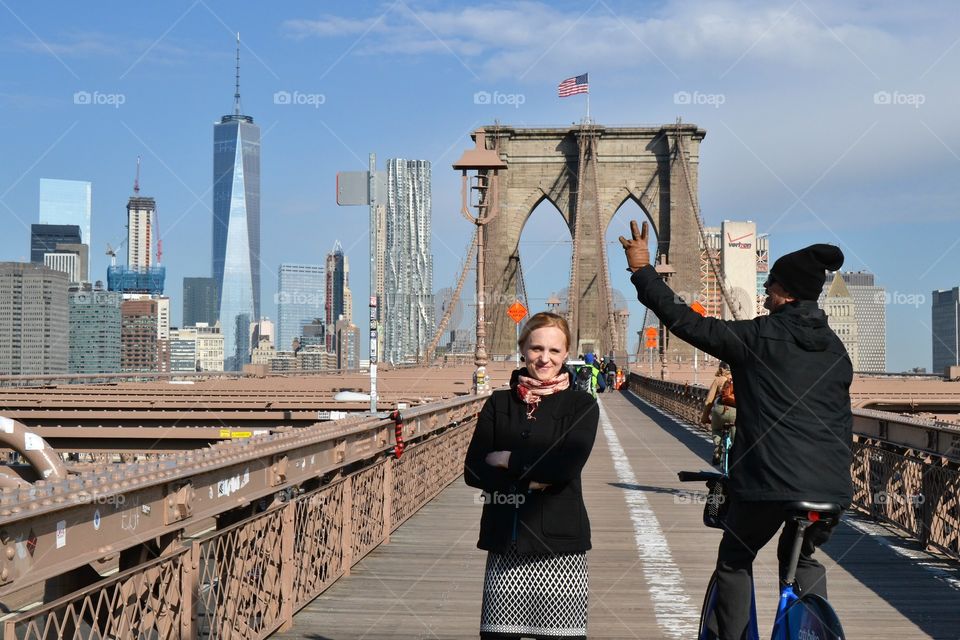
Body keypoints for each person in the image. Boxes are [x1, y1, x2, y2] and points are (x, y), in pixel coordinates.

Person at [620, 221, 852, 640]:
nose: (764, 293)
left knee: (735, 557)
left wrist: (642, 272)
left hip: (769, 481)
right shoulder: (837, 350)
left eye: (770, 285)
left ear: (786, 293)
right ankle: (813, 628)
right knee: (802, 559)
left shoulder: (757, 336)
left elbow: (685, 322)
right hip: (831, 488)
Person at [464, 311, 599, 640]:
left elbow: (566, 468)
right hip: (505, 545)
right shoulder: (499, 403)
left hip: (559, 552)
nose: (544, 358)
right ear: (523, 349)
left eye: (554, 350)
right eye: (537, 348)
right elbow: (473, 469)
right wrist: (538, 478)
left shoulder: (581, 405)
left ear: (566, 354)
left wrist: (507, 459)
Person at [701, 362, 736, 465]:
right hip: (735, 411)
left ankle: (717, 450)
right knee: (735, 432)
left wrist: (705, 417)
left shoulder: (718, 380)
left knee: (716, 429)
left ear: (721, 369)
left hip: (719, 410)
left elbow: (709, 401)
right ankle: (736, 452)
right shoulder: (739, 379)